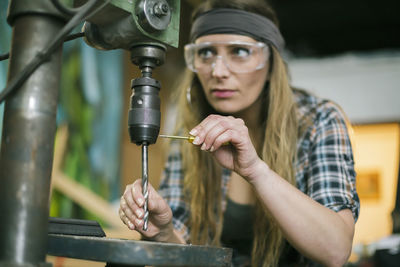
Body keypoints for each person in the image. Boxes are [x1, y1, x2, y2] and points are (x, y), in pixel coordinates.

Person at [119, 0, 360, 266]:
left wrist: (256, 171)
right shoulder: (190, 131)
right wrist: (164, 233)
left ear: (271, 63)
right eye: (206, 53)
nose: (218, 71)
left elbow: (336, 250)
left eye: (240, 51)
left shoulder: (319, 121)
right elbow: (182, 249)